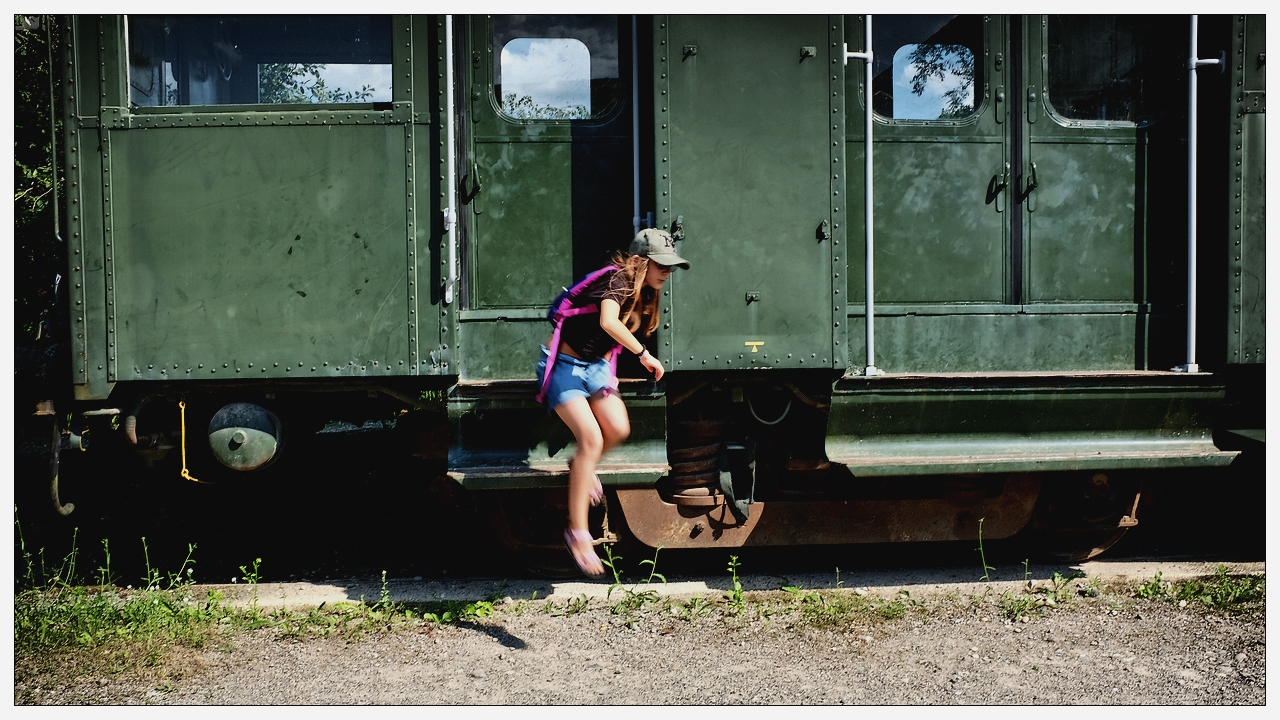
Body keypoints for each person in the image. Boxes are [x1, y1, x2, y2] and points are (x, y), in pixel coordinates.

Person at [535, 228, 689, 576]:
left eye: (670, 266)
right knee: (590, 439)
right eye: (661, 265)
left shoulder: (646, 292)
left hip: (595, 368)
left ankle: (582, 468)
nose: (667, 271)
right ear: (641, 261)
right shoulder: (617, 280)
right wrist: (644, 355)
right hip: (563, 366)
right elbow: (607, 321)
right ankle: (578, 532)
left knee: (618, 428)